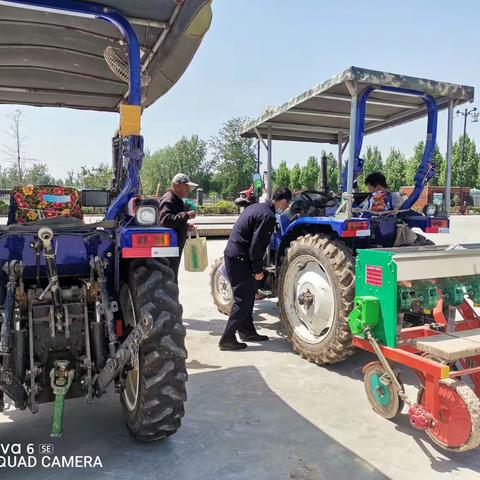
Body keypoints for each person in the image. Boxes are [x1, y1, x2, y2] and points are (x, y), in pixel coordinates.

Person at [219, 187, 292, 351]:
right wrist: (258, 270)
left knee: (248, 298)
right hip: (239, 258)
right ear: (283, 202)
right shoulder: (268, 216)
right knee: (241, 300)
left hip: (236, 255)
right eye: (287, 205)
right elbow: (256, 248)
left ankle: (247, 332)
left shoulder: (257, 207)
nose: (286, 208)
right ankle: (227, 338)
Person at [158, 173, 197, 283]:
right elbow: (165, 220)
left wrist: (185, 226)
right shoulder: (169, 199)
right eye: (186, 186)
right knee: (169, 277)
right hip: (169, 249)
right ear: (176, 185)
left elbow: (173, 220)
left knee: (172, 276)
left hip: (174, 248)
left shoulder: (176, 199)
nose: (188, 189)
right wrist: (186, 215)